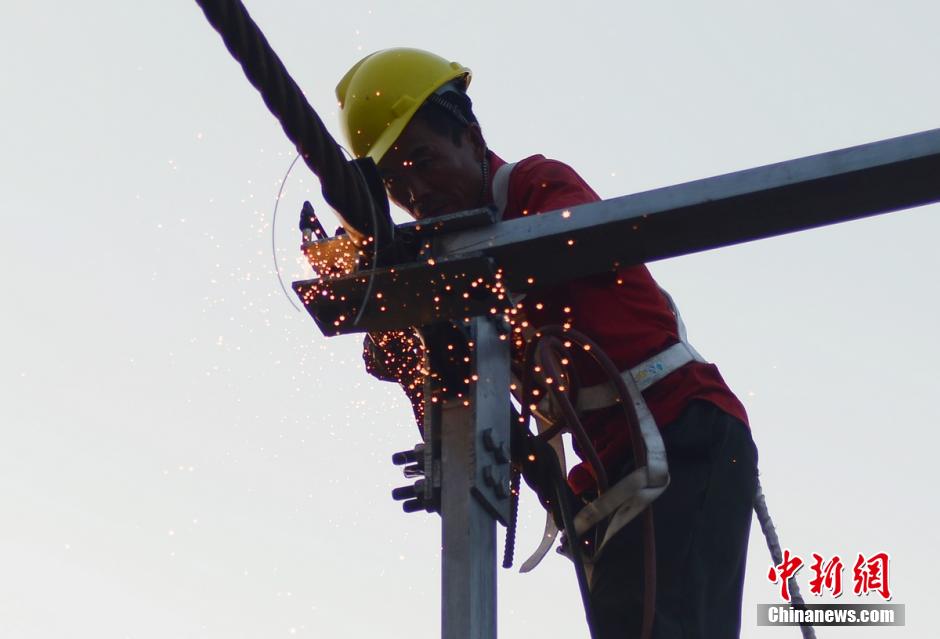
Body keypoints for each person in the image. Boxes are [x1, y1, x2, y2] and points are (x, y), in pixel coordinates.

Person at [336, 47, 759, 639]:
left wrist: (414, 267)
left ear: (470, 137)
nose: (418, 191)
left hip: (683, 433)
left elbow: (555, 252)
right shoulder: (454, 265)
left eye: (424, 162)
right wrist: (373, 276)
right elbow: (399, 356)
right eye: (396, 184)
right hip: (620, 476)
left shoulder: (537, 187)